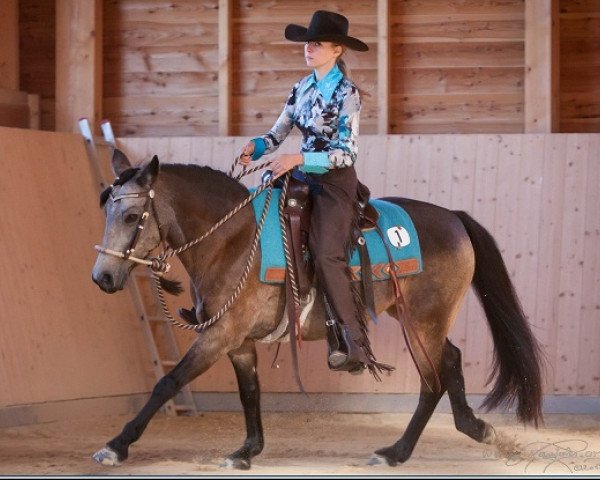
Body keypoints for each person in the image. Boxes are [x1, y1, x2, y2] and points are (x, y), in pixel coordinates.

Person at [239, 10, 390, 378]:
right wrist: (256, 148)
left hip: (335, 183)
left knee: (326, 253)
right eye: (307, 42)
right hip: (301, 174)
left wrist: (299, 157)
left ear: (337, 50)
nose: (309, 48)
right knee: (255, 215)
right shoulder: (302, 88)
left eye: (317, 43)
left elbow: (347, 152)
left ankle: (352, 340)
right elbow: (276, 135)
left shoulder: (347, 94)